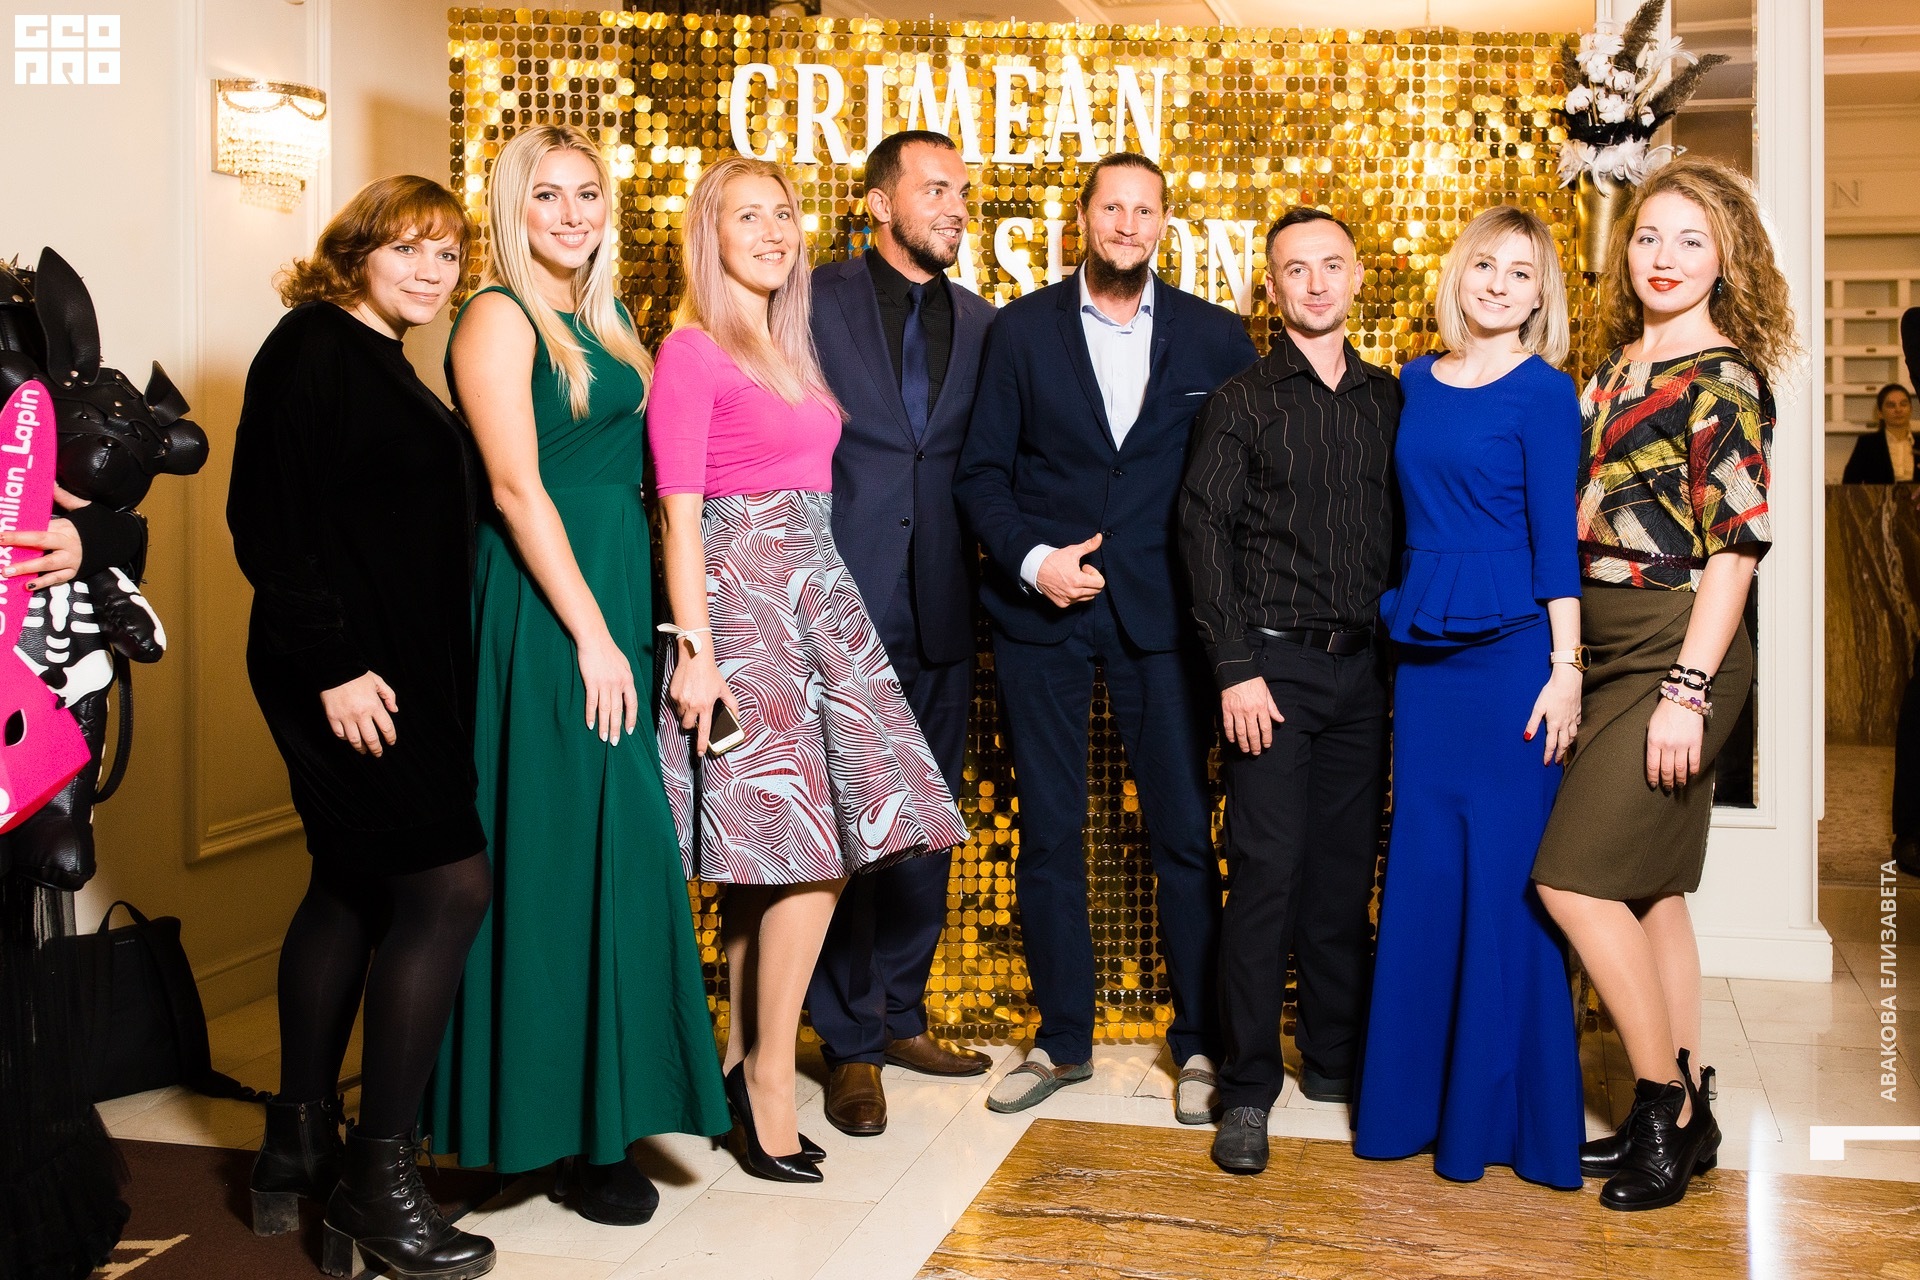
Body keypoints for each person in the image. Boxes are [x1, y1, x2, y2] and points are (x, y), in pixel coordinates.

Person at [426, 126, 729, 1226]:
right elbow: (516, 489)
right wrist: (595, 636)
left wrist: (665, 628)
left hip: (610, 600)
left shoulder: (609, 319)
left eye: (587, 193)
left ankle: (594, 1121)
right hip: (547, 613)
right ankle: (549, 1132)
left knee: (600, 855)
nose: (571, 214)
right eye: (546, 195)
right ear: (513, 209)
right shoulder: (497, 315)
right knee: (554, 855)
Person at [650, 154, 967, 1184]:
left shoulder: (786, 347)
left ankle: (736, 1067)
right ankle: (772, 1088)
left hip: (816, 596)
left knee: (774, 863)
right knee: (811, 856)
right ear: (710, 234)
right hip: (744, 611)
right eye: (748, 216)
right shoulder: (692, 350)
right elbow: (679, 515)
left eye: (783, 214)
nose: (774, 232)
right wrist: (697, 653)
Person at [227, 176, 495, 1279]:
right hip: (340, 669)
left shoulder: (384, 356)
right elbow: (266, 520)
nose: (431, 272)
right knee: (449, 886)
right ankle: (376, 1189)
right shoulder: (311, 346)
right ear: (356, 252)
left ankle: (296, 1143)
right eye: (408, 249)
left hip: (393, 670)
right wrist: (334, 665)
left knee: (347, 882)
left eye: (447, 254)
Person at [956, 152, 1257, 1120]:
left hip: (1165, 618)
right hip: (1042, 617)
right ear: (1082, 218)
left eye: (1145, 209)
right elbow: (980, 475)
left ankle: (1200, 1044)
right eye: (1112, 207)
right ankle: (1061, 1038)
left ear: (1165, 223)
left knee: (1182, 835)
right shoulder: (1020, 330)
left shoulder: (1216, 337)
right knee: (1049, 832)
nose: (1128, 224)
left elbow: (1248, 481)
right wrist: (1034, 559)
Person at [1532, 156, 1792, 1211]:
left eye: (1691, 240)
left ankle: (1661, 1109)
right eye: (1648, 237)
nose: (1665, 257)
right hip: (1605, 647)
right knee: (1651, 890)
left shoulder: (1724, 376)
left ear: (1727, 259)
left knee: (1571, 879)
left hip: (1680, 643)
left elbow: (1736, 550)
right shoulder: (1611, 369)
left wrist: (1687, 688)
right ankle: (1696, 1115)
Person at [1351, 206, 1585, 1189]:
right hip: (1426, 662)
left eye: (1520, 272)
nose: (1497, 283)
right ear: (1460, 275)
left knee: (1506, 881)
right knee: (1426, 872)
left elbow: (1555, 541)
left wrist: (1567, 668)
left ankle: (1504, 1118)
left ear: (1540, 296)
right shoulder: (1412, 382)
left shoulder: (1546, 392)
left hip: (1515, 662)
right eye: (1484, 264)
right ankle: (1409, 1105)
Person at [1179, 207, 1399, 1175]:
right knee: (1266, 878)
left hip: (1364, 671)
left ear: (1357, 278)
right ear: (1270, 289)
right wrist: (1234, 668)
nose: (1315, 283)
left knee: (1343, 877)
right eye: (1295, 269)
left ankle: (1335, 1059)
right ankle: (1247, 1088)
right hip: (1269, 671)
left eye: (1331, 265)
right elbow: (1201, 534)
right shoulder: (1242, 400)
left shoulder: (1390, 400)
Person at [804, 130, 997, 1137]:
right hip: (838, 601)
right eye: (936, 190)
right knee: (847, 828)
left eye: (962, 191)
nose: (957, 205)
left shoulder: (984, 321)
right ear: (880, 203)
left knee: (923, 827)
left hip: (943, 608)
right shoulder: (810, 298)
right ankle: (848, 1043)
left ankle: (901, 1012)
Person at [1841, 383, 1915, 483]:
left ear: (1911, 409)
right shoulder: (1867, 444)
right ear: (1880, 413)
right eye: (1891, 405)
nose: (1898, 410)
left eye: (1903, 404)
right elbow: (1849, 485)